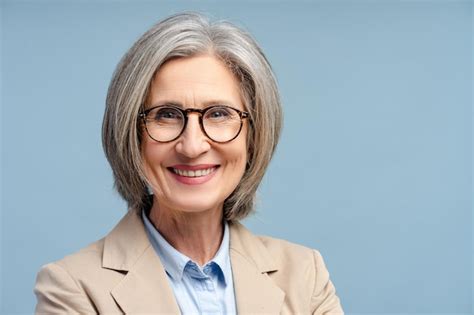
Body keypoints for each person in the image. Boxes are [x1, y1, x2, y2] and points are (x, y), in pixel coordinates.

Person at [34, 12, 344, 314]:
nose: (192, 146)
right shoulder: (73, 288)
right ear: (131, 134)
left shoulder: (305, 276)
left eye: (219, 114)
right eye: (166, 114)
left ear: (253, 135)